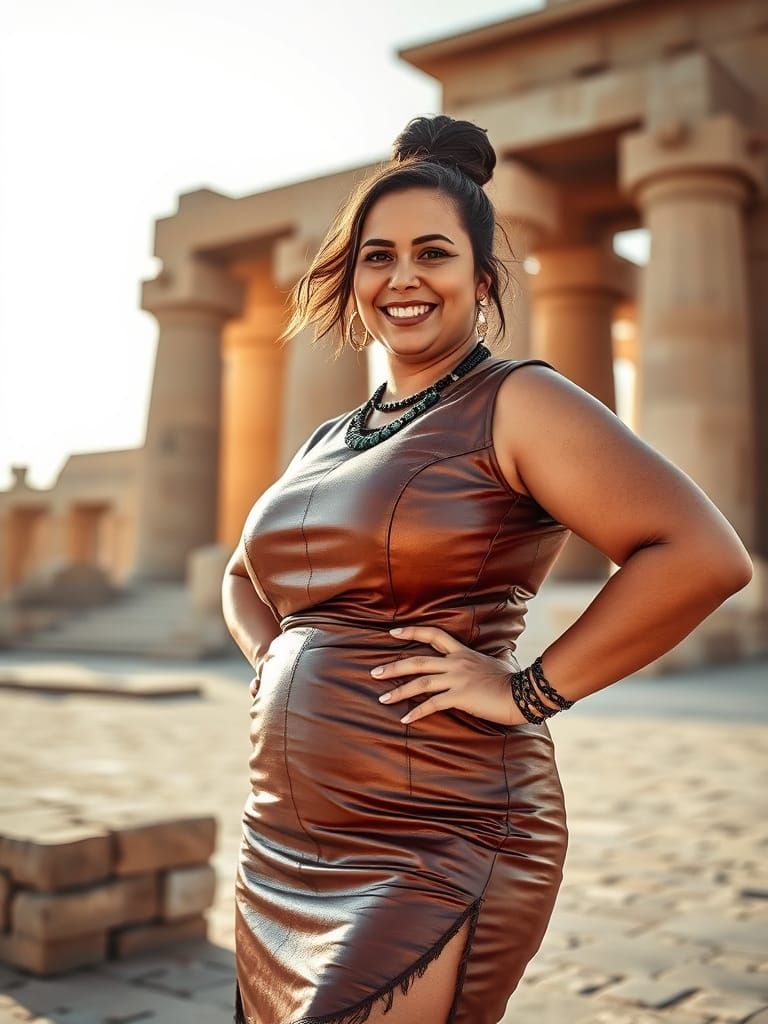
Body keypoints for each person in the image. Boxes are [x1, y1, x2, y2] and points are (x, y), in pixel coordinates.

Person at [222, 114, 753, 1024]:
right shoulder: (330, 436)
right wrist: (276, 660)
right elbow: (242, 573)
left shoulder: (519, 400)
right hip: (283, 837)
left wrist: (528, 691)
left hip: (438, 832)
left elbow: (701, 556)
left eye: (433, 253)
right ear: (352, 280)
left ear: (481, 277)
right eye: (378, 255)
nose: (403, 277)